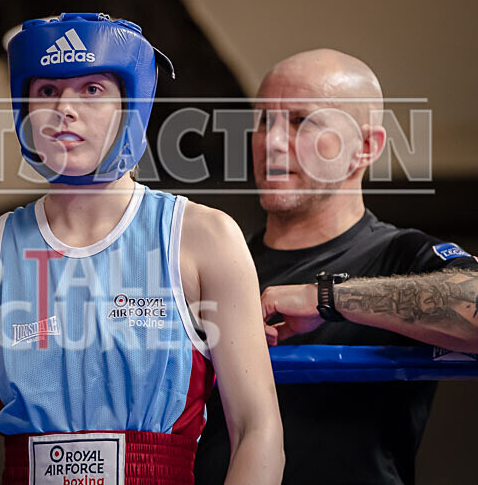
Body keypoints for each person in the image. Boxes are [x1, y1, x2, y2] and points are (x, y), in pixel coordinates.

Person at [0, 13, 284, 484]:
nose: (64, 110)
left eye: (92, 90)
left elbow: (259, 430)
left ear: (131, 105)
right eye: (47, 91)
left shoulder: (202, 238)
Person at [194, 49, 478, 485]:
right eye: (265, 120)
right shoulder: (220, 268)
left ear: (364, 148)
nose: (271, 141)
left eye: (302, 121)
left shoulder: (399, 256)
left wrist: (329, 297)